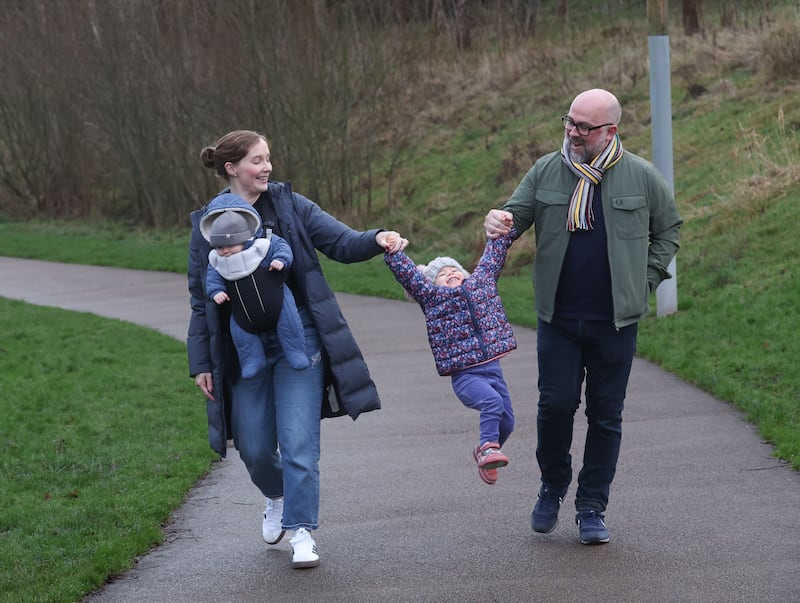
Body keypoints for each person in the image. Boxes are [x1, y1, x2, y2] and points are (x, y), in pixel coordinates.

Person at [187, 129, 407, 569]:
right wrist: (201, 363)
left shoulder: (290, 205)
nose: (267, 167)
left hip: (299, 341)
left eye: (268, 158)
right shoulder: (208, 224)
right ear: (232, 169)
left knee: (298, 442)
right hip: (243, 348)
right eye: (257, 160)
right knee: (251, 444)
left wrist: (379, 237)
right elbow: (199, 297)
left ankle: (302, 530)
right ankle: (276, 494)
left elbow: (341, 242)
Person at [484, 88, 682, 545]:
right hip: (559, 320)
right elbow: (514, 216)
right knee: (555, 406)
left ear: (611, 130)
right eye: (569, 122)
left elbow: (668, 230)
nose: (572, 132)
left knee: (605, 415)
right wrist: (499, 221)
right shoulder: (547, 171)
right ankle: (552, 485)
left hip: (615, 322)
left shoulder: (641, 177)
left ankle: (592, 506)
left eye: (584, 126)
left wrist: (645, 280)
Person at [384, 232, 517, 485]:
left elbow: (491, 259)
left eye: (454, 270)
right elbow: (410, 277)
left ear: (465, 275)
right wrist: (394, 254)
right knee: (491, 402)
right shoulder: (433, 298)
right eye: (442, 275)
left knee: (507, 422)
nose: (450, 274)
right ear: (434, 284)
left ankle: (485, 452)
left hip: (493, 371)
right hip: (466, 377)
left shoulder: (480, 286)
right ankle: (488, 448)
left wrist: (501, 236)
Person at [202, 192, 309, 377]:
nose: (225, 251)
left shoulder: (261, 246)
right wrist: (215, 291)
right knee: (241, 335)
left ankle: (296, 351)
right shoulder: (217, 261)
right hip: (242, 314)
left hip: (278, 303)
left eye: (230, 245)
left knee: (289, 324)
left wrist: (280, 260)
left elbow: (282, 247)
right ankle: (252, 360)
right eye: (219, 247)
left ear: (244, 239)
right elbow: (212, 278)